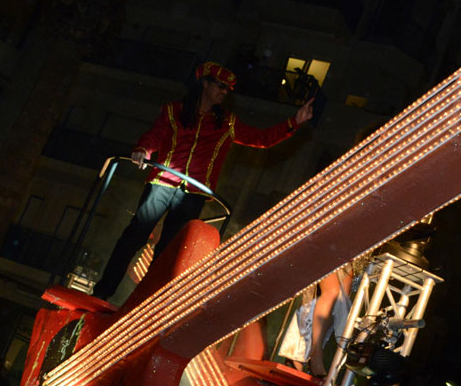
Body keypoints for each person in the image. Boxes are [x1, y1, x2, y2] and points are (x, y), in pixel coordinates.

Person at [94, 61, 314, 300]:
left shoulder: (227, 122)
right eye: (220, 85)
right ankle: (102, 293)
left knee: (168, 252)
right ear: (205, 84)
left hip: (193, 195)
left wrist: (293, 123)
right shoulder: (173, 111)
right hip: (162, 183)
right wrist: (143, 149)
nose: (225, 91)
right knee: (134, 236)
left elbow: (260, 138)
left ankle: (142, 305)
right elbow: (155, 136)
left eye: (228, 89)